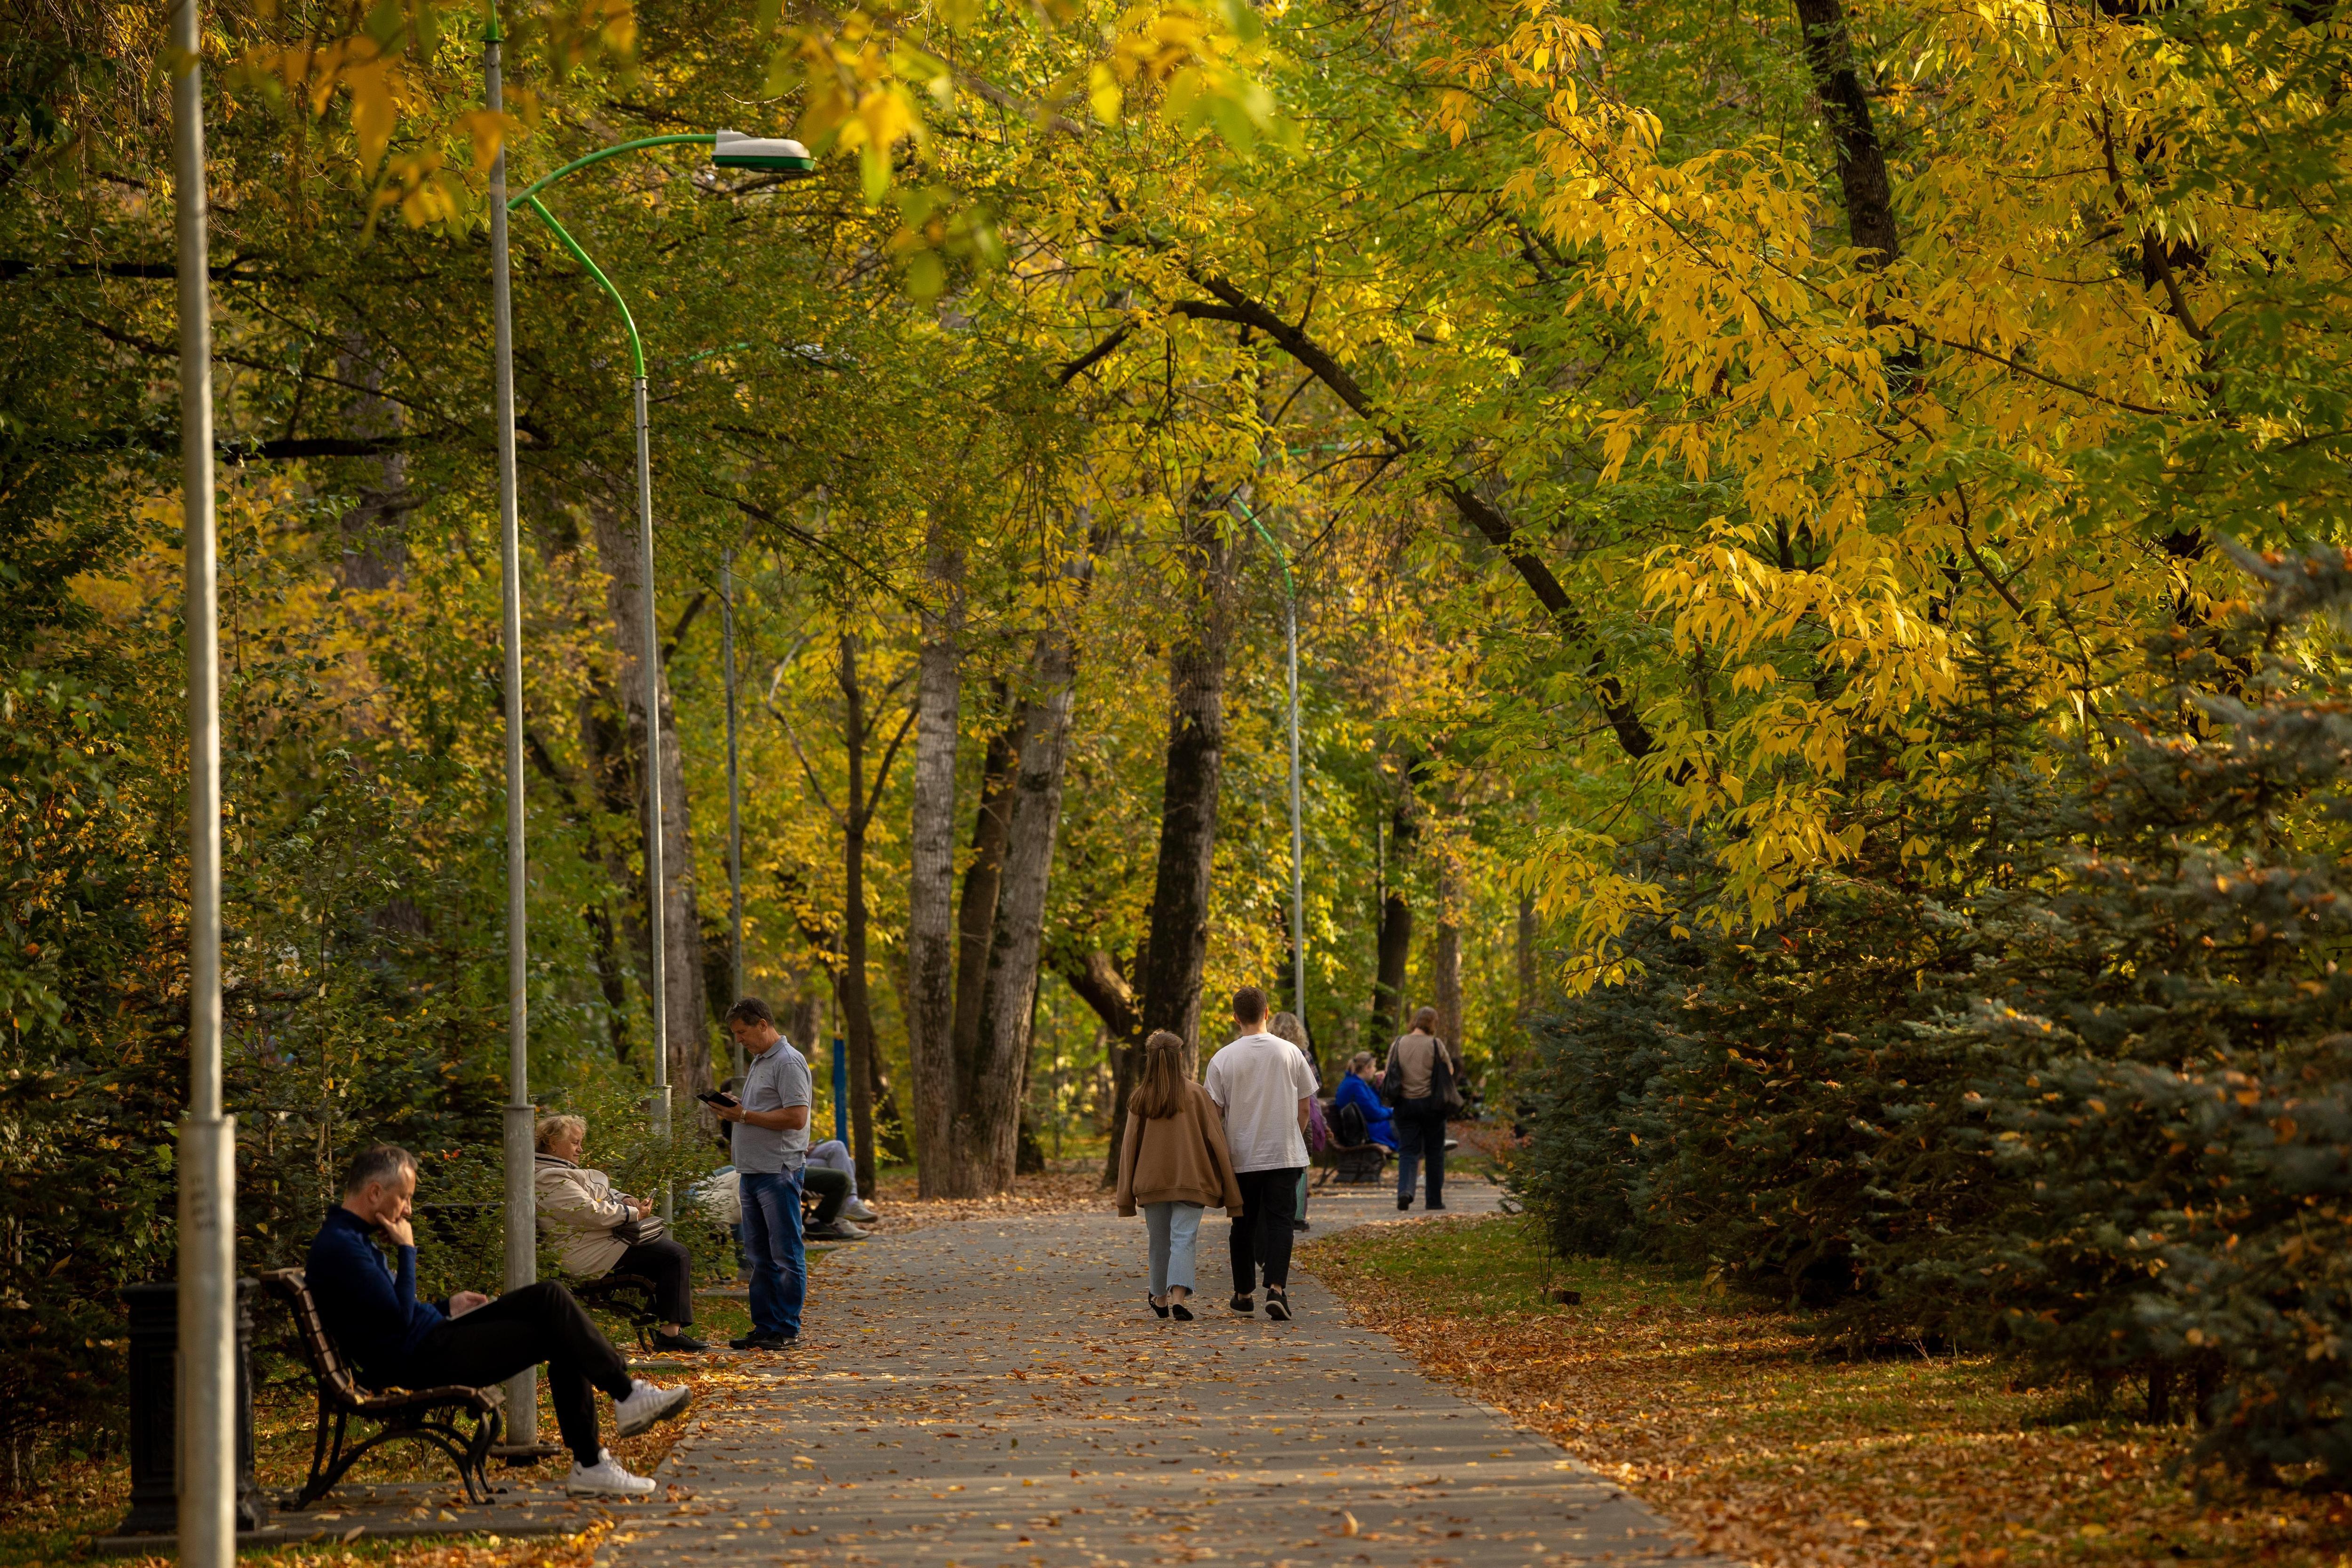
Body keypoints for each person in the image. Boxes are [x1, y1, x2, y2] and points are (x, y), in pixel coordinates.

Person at [306, 1143, 689, 1497]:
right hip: (417, 1358)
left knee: (551, 1301)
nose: (407, 1209)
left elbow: (390, 1311)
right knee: (554, 1312)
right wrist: (407, 1251)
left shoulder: (350, 1239)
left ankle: (604, 1440)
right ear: (374, 1193)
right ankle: (617, 1413)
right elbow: (398, 1320)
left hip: (429, 1337)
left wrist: (444, 1306)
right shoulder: (342, 1246)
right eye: (404, 1197)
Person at [534, 1114, 707, 1352]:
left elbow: (594, 1193)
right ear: (553, 1143)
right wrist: (632, 1214)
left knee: (669, 1253)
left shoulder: (557, 1170)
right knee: (674, 1255)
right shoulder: (549, 1177)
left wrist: (623, 1198)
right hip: (584, 1255)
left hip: (595, 1246)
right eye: (575, 1142)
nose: (580, 1149)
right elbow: (588, 1211)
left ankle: (666, 1327)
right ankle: (669, 1334)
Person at [1202, 985, 1319, 1322]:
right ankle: (1277, 1290)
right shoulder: (1291, 1053)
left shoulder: (1222, 1059)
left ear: (1236, 1017)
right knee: (1282, 1221)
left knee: (1243, 1223)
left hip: (1242, 1155)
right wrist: (1291, 1139)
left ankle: (1242, 1294)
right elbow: (1304, 1109)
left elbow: (1214, 1114)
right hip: (1284, 1153)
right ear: (1267, 1012)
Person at [1115, 1028, 1246, 1320]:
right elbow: (1218, 1142)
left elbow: (1128, 1149)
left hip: (1151, 1184)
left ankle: (1159, 1298)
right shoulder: (1197, 1095)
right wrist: (1232, 1194)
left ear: (1149, 1058)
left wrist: (1125, 1197)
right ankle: (1178, 1298)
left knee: (1158, 1240)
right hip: (1192, 1181)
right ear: (1181, 1057)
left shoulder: (1141, 1098)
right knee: (1184, 1238)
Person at [715, 997, 812, 1349]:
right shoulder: (761, 1060)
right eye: (735, 1034)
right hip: (753, 1170)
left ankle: (786, 1328)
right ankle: (765, 1326)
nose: (739, 1040)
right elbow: (761, 1110)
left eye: (743, 1032)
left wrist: (744, 1116)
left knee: (785, 1252)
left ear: (762, 1024)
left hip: (779, 1170)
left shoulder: (788, 1062)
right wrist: (735, 1107)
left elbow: (796, 1117)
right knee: (758, 1255)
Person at [1385, 1005, 1459, 1211]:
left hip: (1404, 1105)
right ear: (1433, 1023)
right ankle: (1434, 1200)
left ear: (1415, 1021)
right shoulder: (1436, 1045)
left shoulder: (1398, 1043)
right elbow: (1450, 1071)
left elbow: (1388, 1071)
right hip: (1431, 1105)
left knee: (1408, 1150)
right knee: (1434, 1152)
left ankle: (1405, 1192)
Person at [1267, 1011, 1320, 1234]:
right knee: (1299, 1168)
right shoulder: (1303, 1054)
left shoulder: (1267, 1052)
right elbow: (1313, 1089)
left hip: (1271, 1116)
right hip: (1297, 1116)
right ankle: (1297, 1214)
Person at [802, 1138, 875, 1239]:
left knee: (843, 1154)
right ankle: (846, 1208)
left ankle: (845, 1209)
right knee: (843, 1156)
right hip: (791, 1160)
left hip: (801, 1153)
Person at [1334, 1051, 1398, 1149]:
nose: (1375, 1070)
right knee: (1410, 1127)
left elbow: (1371, 1104)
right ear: (1367, 1068)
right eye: (1374, 1067)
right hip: (1369, 1131)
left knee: (1409, 1124)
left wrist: (1377, 1088)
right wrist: (1393, 1112)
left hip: (1369, 1127)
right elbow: (1374, 1113)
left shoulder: (1356, 1083)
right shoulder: (1355, 1086)